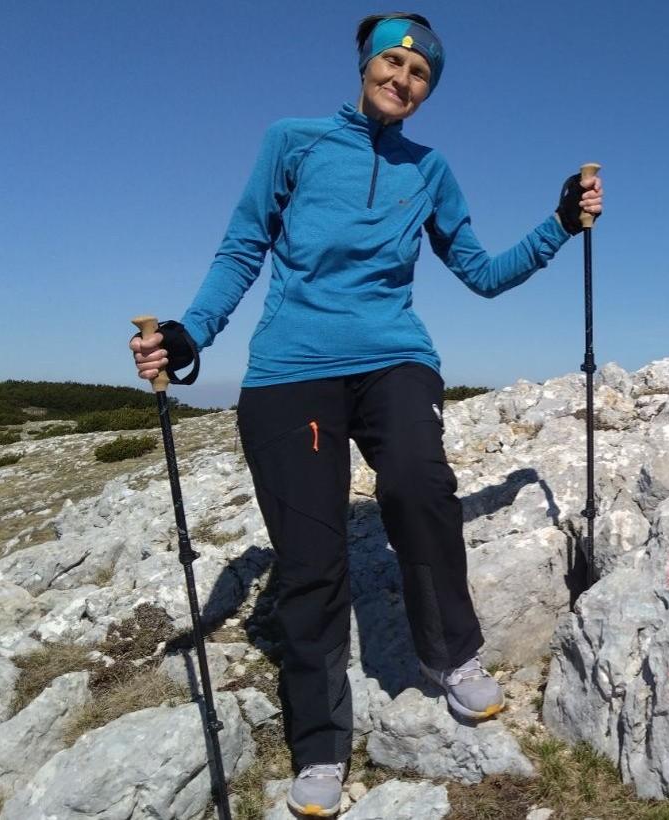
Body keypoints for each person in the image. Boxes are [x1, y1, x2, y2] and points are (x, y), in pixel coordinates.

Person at [129, 12, 602, 818]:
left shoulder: (430, 169)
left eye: (421, 74)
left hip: (393, 357)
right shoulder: (294, 142)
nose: (403, 79)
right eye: (393, 62)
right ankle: (320, 743)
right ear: (365, 62)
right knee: (311, 563)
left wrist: (558, 225)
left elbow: (482, 273)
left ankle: (450, 655)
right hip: (292, 370)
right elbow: (242, 248)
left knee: (420, 485)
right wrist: (189, 334)